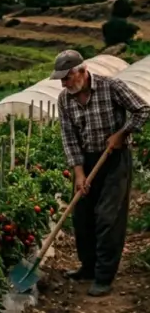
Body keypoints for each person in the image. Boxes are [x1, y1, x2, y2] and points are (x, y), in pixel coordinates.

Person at [52, 50, 150, 297]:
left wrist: (123, 133)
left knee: (108, 218)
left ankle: (104, 277)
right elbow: (69, 138)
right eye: (61, 79)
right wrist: (78, 173)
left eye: (67, 77)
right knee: (82, 218)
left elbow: (142, 110)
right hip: (86, 161)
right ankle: (88, 267)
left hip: (114, 159)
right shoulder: (64, 100)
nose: (63, 84)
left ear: (83, 72)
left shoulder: (111, 87)